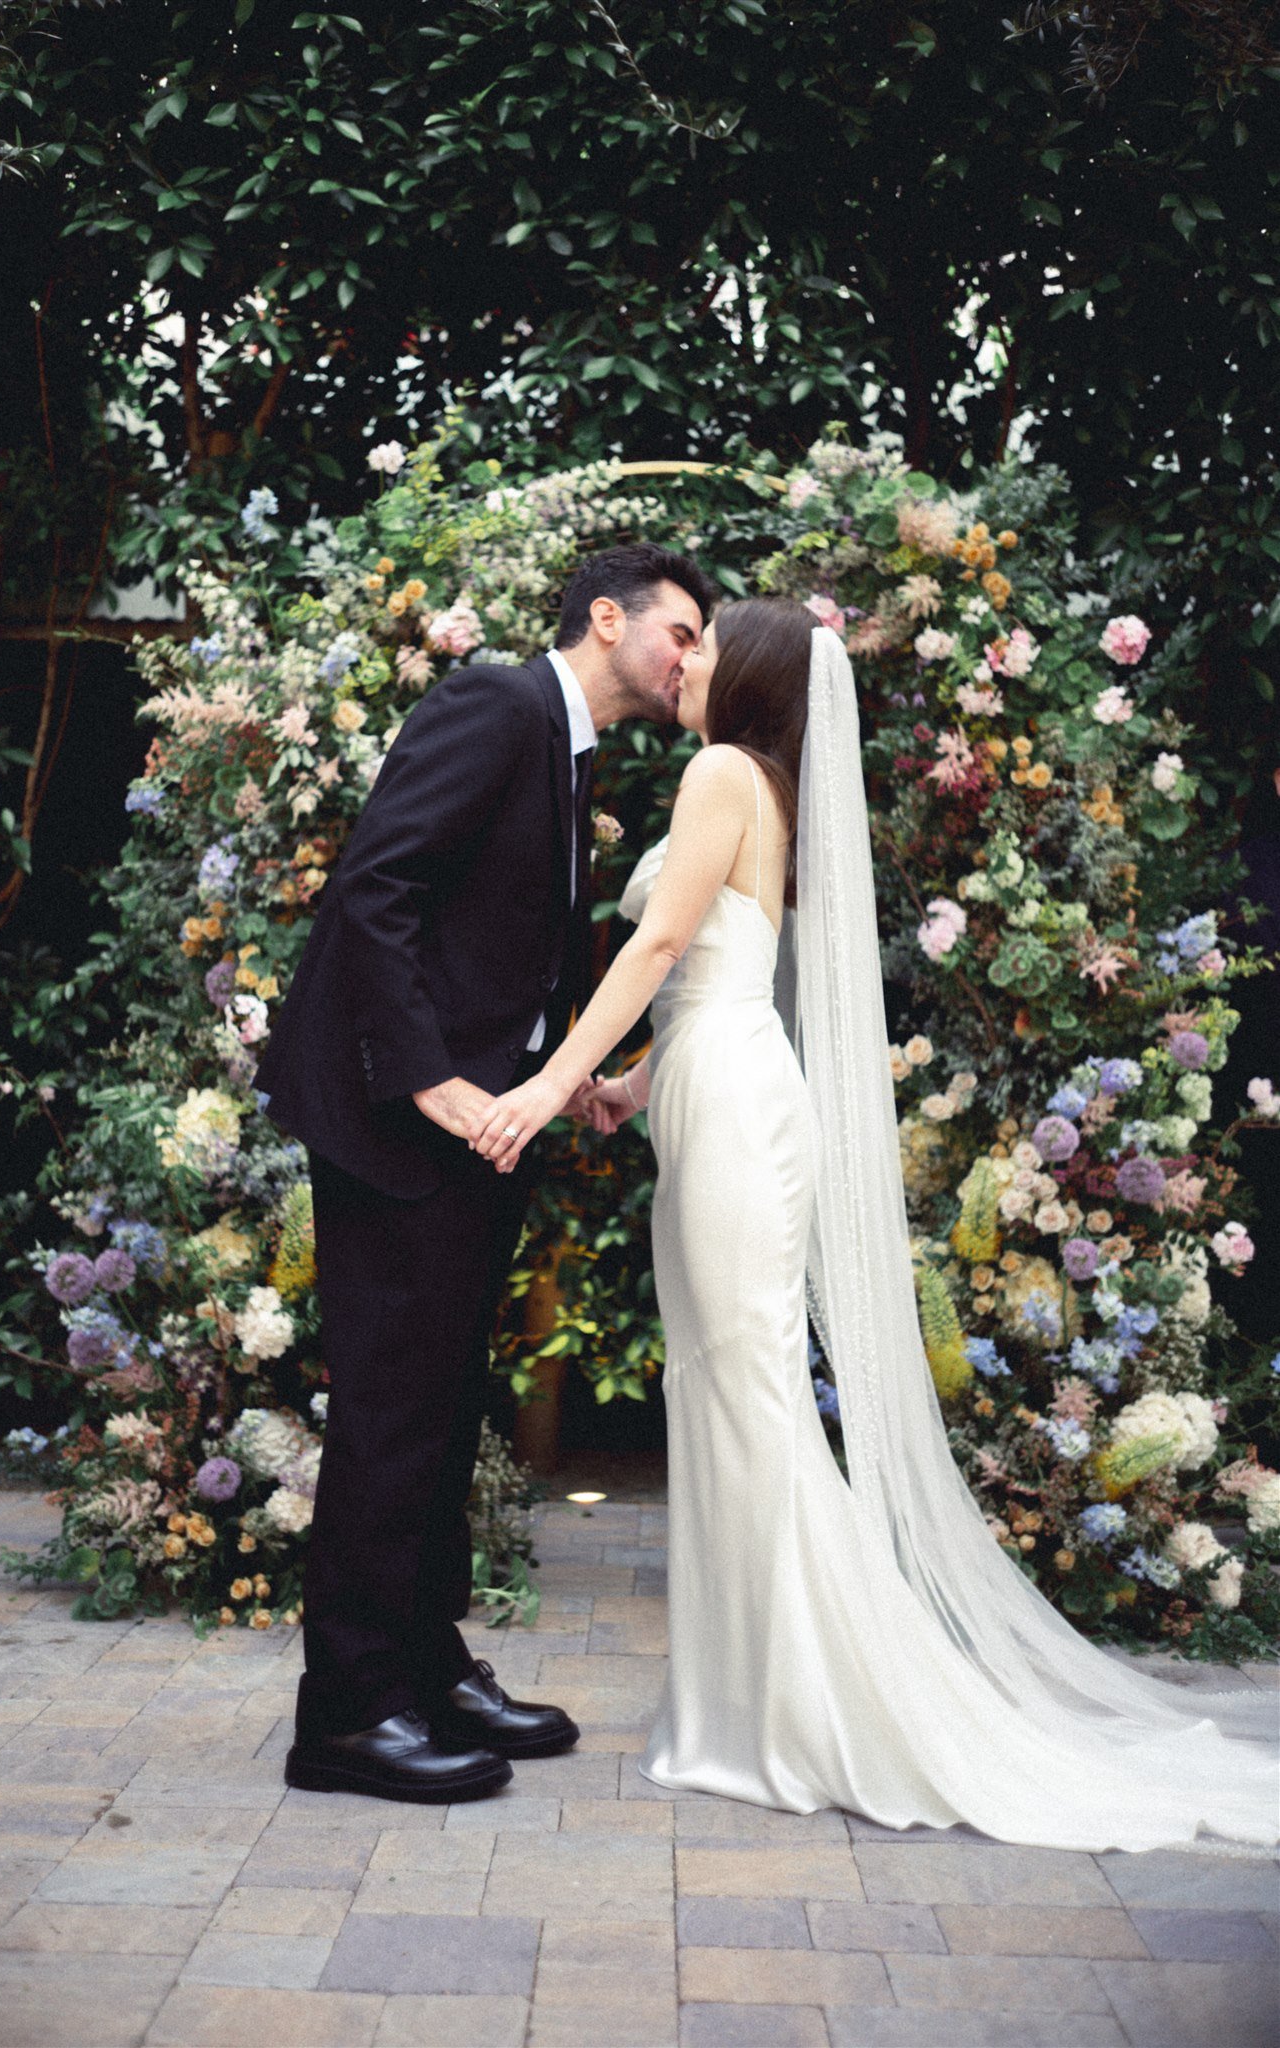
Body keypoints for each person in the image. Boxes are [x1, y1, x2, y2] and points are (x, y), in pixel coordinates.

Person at [472, 597, 1278, 1853]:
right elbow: (717, 979)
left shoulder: (723, 771)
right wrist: (627, 1085)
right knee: (730, 1395)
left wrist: (539, 1081)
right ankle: (746, 1703)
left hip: (738, 1114)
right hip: (718, 1091)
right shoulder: (762, 782)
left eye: (706, 645)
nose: (684, 660)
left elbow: (667, 942)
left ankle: (800, 1712)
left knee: (750, 1401)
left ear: (750, 678)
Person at [255, 541, 716, 1804]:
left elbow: (514, 942)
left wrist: (577, 1081)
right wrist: (423, 1079)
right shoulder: (495, 705)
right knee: (394, 1414)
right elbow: (376, 891)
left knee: (445, 1404)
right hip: (400, 1127)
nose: (691, 658)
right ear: (606, 619)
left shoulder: (569, 748)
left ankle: (424, 1661)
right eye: (680, 631)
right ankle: (345, 1715)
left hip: (477, 1133)